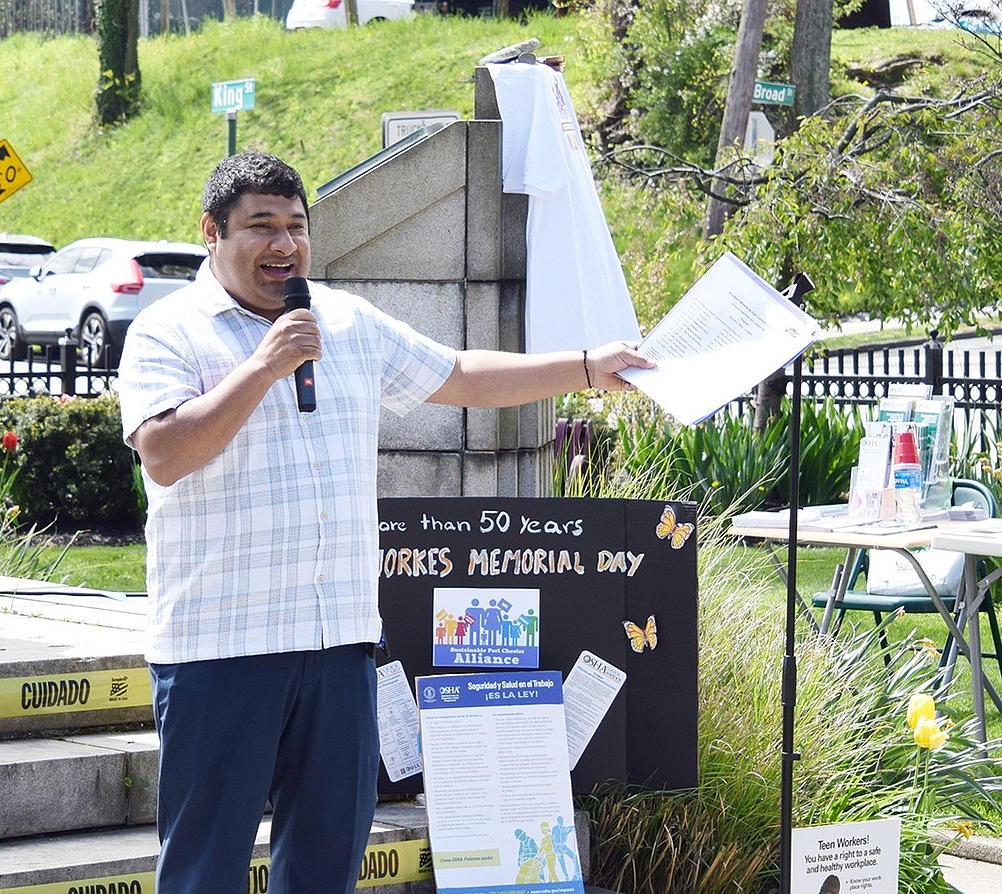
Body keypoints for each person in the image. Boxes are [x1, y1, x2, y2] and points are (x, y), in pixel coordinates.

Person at [117, 148, 650, 894]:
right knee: (206, 868)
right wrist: (264, 368)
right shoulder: (168, 331)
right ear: (211, 231)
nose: (284, 245)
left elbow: (458, 375)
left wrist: (588, 367)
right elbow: (167, 455)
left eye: (296, 227)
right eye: (260, 226)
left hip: (338, 644)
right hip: (222, 646)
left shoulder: (345, 320)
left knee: (326, 865)